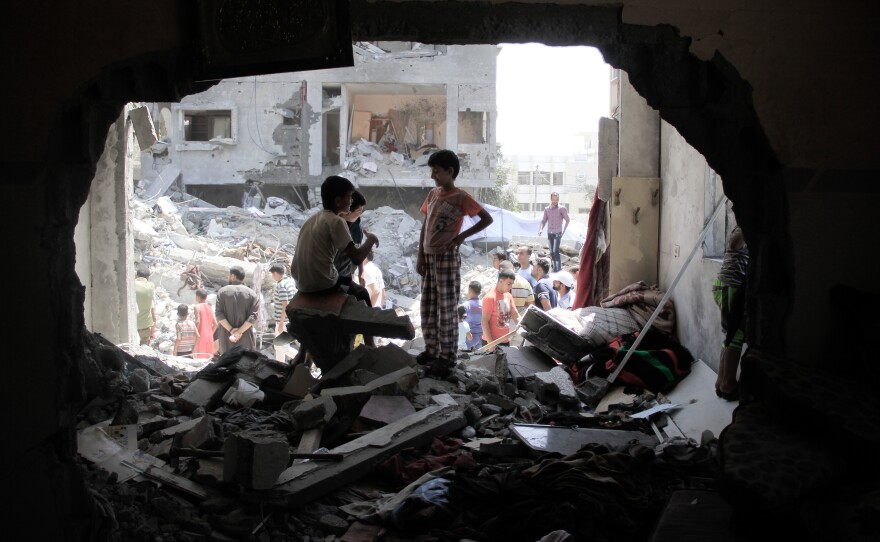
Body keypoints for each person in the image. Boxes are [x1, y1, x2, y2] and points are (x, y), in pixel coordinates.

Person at [416, 149, 493, 374]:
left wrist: (461, 237)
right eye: (432, 171)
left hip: (447, 259)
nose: (433, 176)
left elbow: (486, 218)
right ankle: (431, 350)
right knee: (427, 306)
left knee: (447, 308)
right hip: (429, 257)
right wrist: (421, 253)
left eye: (437, 172)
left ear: (450, 172)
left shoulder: (461, 197)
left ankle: (447, 356)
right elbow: (425, 225)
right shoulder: (432, 195)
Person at [713, 225, 749, 401]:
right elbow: (734, 242)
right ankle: (728, 383)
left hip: (728, 287)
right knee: (736, 336)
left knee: (730, 335)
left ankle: (721, 381)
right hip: (731, 287)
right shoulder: (743, 228)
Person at [215, 265, 260, 354]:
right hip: (246, 337)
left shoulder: (222, 292)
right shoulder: (252, 294)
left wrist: (232, 330)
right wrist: (239, 332)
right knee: (245, 363)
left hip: (226, 337)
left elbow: (219, 314)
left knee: (227, 363)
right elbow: (253, 317)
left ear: (232, 276)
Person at [481, 269, 521, 347]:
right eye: (508, 284)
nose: (510, 287)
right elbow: (484, 322)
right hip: (491, 342)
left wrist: (526, 327)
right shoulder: (490, 298)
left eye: (512, 284)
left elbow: (516, 316)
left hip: (505, 340)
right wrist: (491, 345)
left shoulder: (508, 296)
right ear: (501, 281)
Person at [269, 263, 297, 361]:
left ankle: (305, 360)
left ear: (276, 273)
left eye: (272, 274)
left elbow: (285, 304)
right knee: (279, 347)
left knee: (282, 347)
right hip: (291, 318)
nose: (272, 277)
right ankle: (279, 365)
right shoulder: (290, 282)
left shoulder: (281, 285)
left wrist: (280, 323)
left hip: (283, 320)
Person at [538, 192, 570, 272]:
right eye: (553, 199)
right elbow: (544, 220)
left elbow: (567, 220)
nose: (555, 201)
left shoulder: (562, 209)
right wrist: (541, 229)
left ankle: (558, 269)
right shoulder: (547, 209)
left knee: (556, 251)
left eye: (557, 199)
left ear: (558, 199)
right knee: (552, 252)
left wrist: (563, 231)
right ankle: (554, 267)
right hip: (550, 233)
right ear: (551, 199)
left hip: (557, 233)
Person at [134, 264, 156, 346]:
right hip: (145, 325)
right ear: (148, 277)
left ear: (136, 275)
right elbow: (153, 308)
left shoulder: (132, 284)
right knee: (144, 347)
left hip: (132, 323)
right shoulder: (151, 286)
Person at [192, 288, 217, 359]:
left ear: (197, 297)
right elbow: (215, 324)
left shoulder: (197, 307)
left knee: (199, 359)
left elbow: (198, 322)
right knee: (208, 359)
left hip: (200, 335)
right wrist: (211, 333)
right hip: (210, 336)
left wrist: (195, 334)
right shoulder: (210, 307)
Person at [464, 281, 484, 350]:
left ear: (469, 290)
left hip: (469, 338)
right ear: (479, 292)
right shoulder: (484, 304)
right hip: (482, 336)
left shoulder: (466, 305)